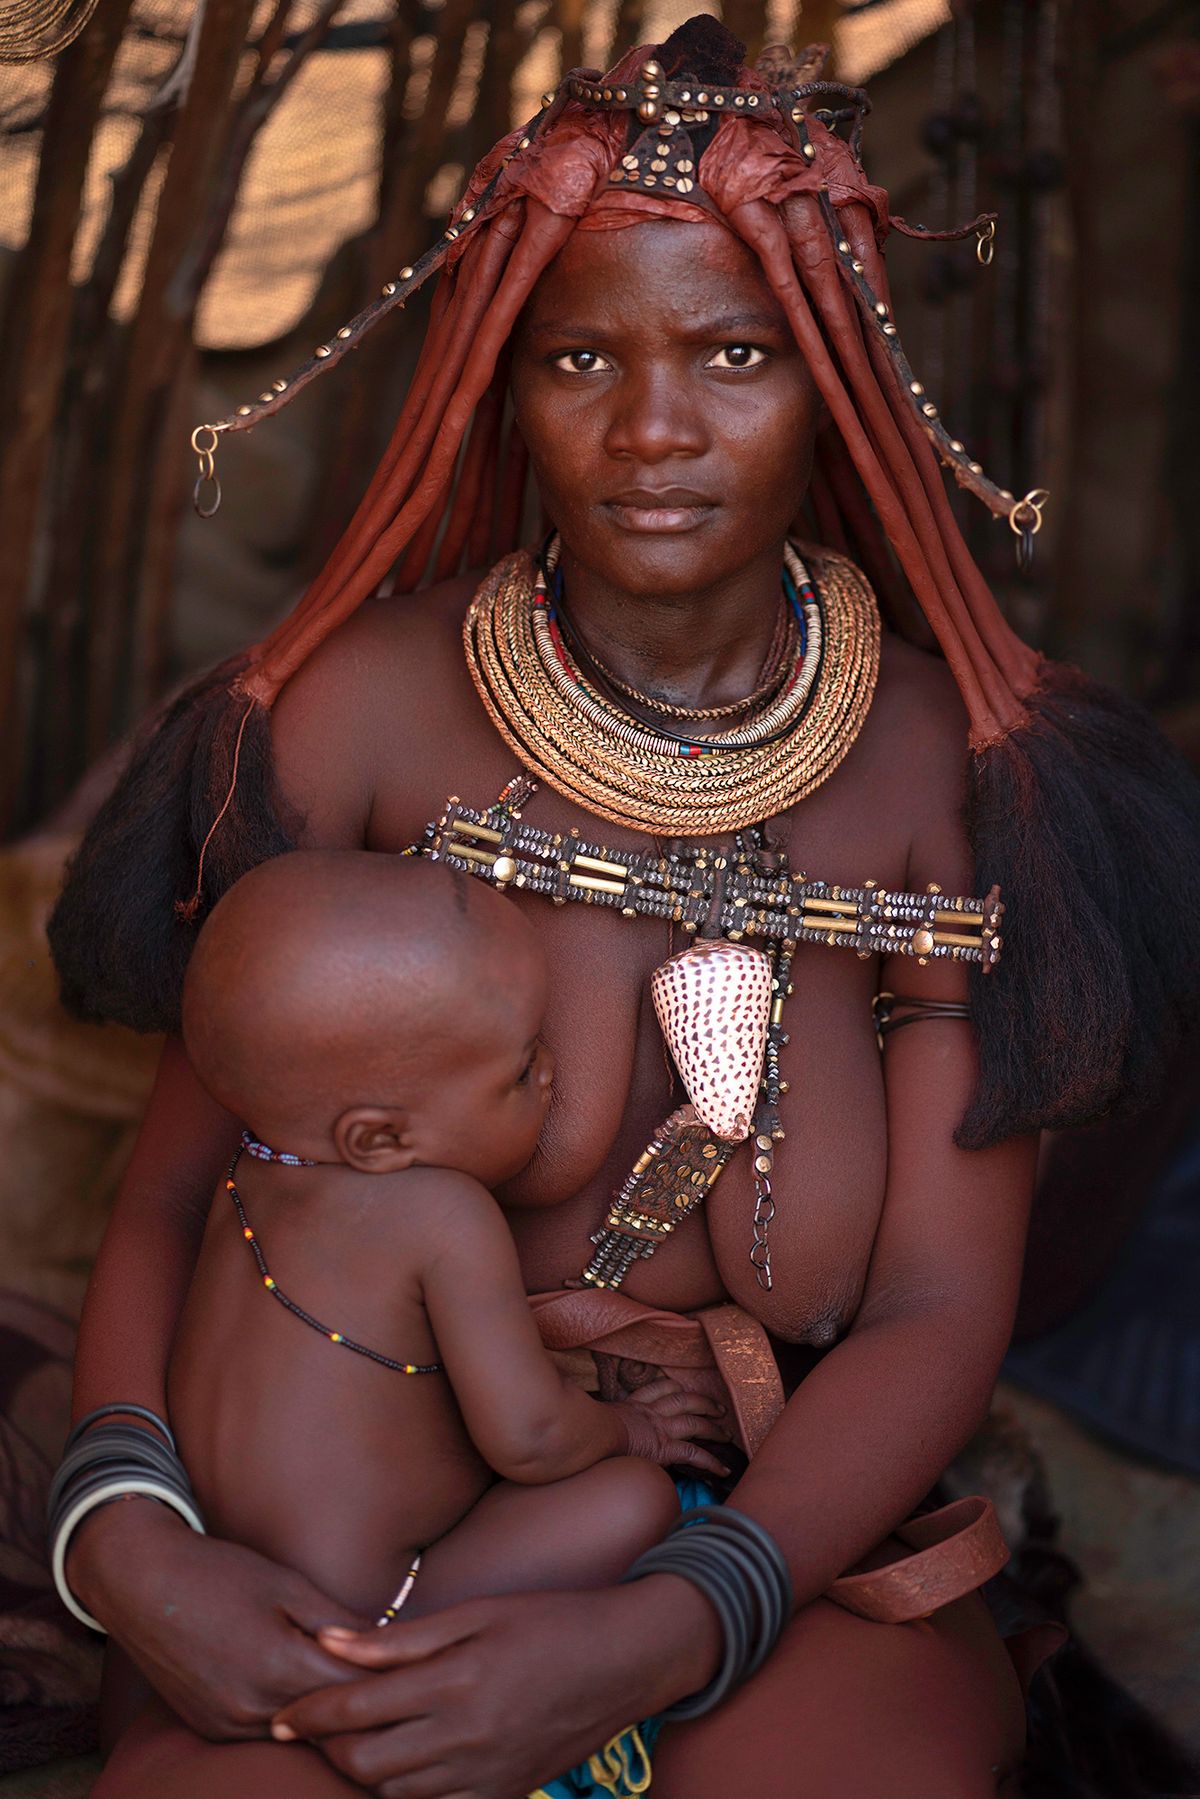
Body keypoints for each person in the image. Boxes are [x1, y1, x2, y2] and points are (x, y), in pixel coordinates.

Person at [45, 16, 1200, 1798]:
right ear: (504, 381)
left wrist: (674, 1615)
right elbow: (184, 1192)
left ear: (838, 385)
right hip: (347, 1542)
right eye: (580, 356)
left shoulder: (945, 781)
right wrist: (130, 1542)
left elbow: (928, 1305)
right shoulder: (355, 716)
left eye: (736, 352)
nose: (654, 429)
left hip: (758, 1541)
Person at [89, 850, 727, 1793]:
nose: (553, 1074)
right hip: (373, 1609)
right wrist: (634, 1428)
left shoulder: (245, 1180)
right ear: (378, 1138)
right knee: (632, 1499)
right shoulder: (444, 1218)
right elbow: (531, 1436)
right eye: (522, 1068)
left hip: (232, 1584)